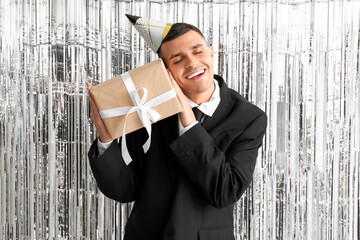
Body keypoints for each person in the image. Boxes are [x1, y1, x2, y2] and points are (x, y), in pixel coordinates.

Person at [87, 15, 267, 240]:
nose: (191, 63)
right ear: (165, 70)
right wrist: (105, 137)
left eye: (197, 51)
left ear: (211, 52)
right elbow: (124, 190)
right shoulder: (148, 109)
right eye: (178, 58)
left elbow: (225, 191)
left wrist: (188, 121)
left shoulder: (248, 118)